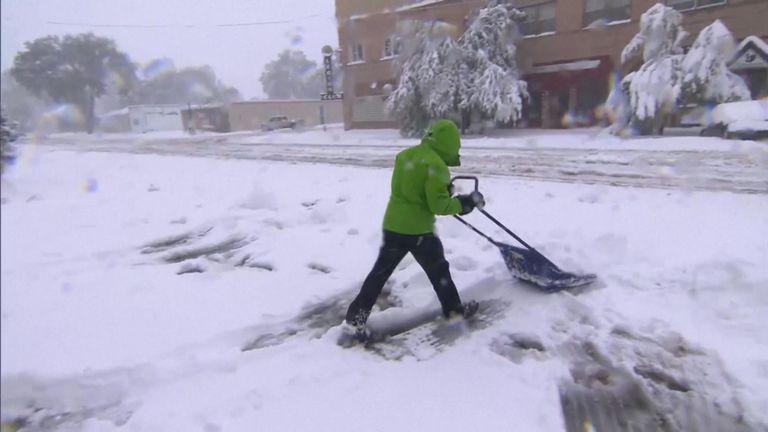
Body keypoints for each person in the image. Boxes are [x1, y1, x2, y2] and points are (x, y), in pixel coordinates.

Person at [344, 119, 485, 339]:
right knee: (439, 273)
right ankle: (454, 312)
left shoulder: (405, 156)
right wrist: (465, 204)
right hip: (418, 232)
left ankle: (355, 318)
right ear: (449, 145)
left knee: (379, 274)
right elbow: (439, 206)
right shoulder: (436, 165)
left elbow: (411, 190)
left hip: (393, 226)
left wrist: (441, 189)